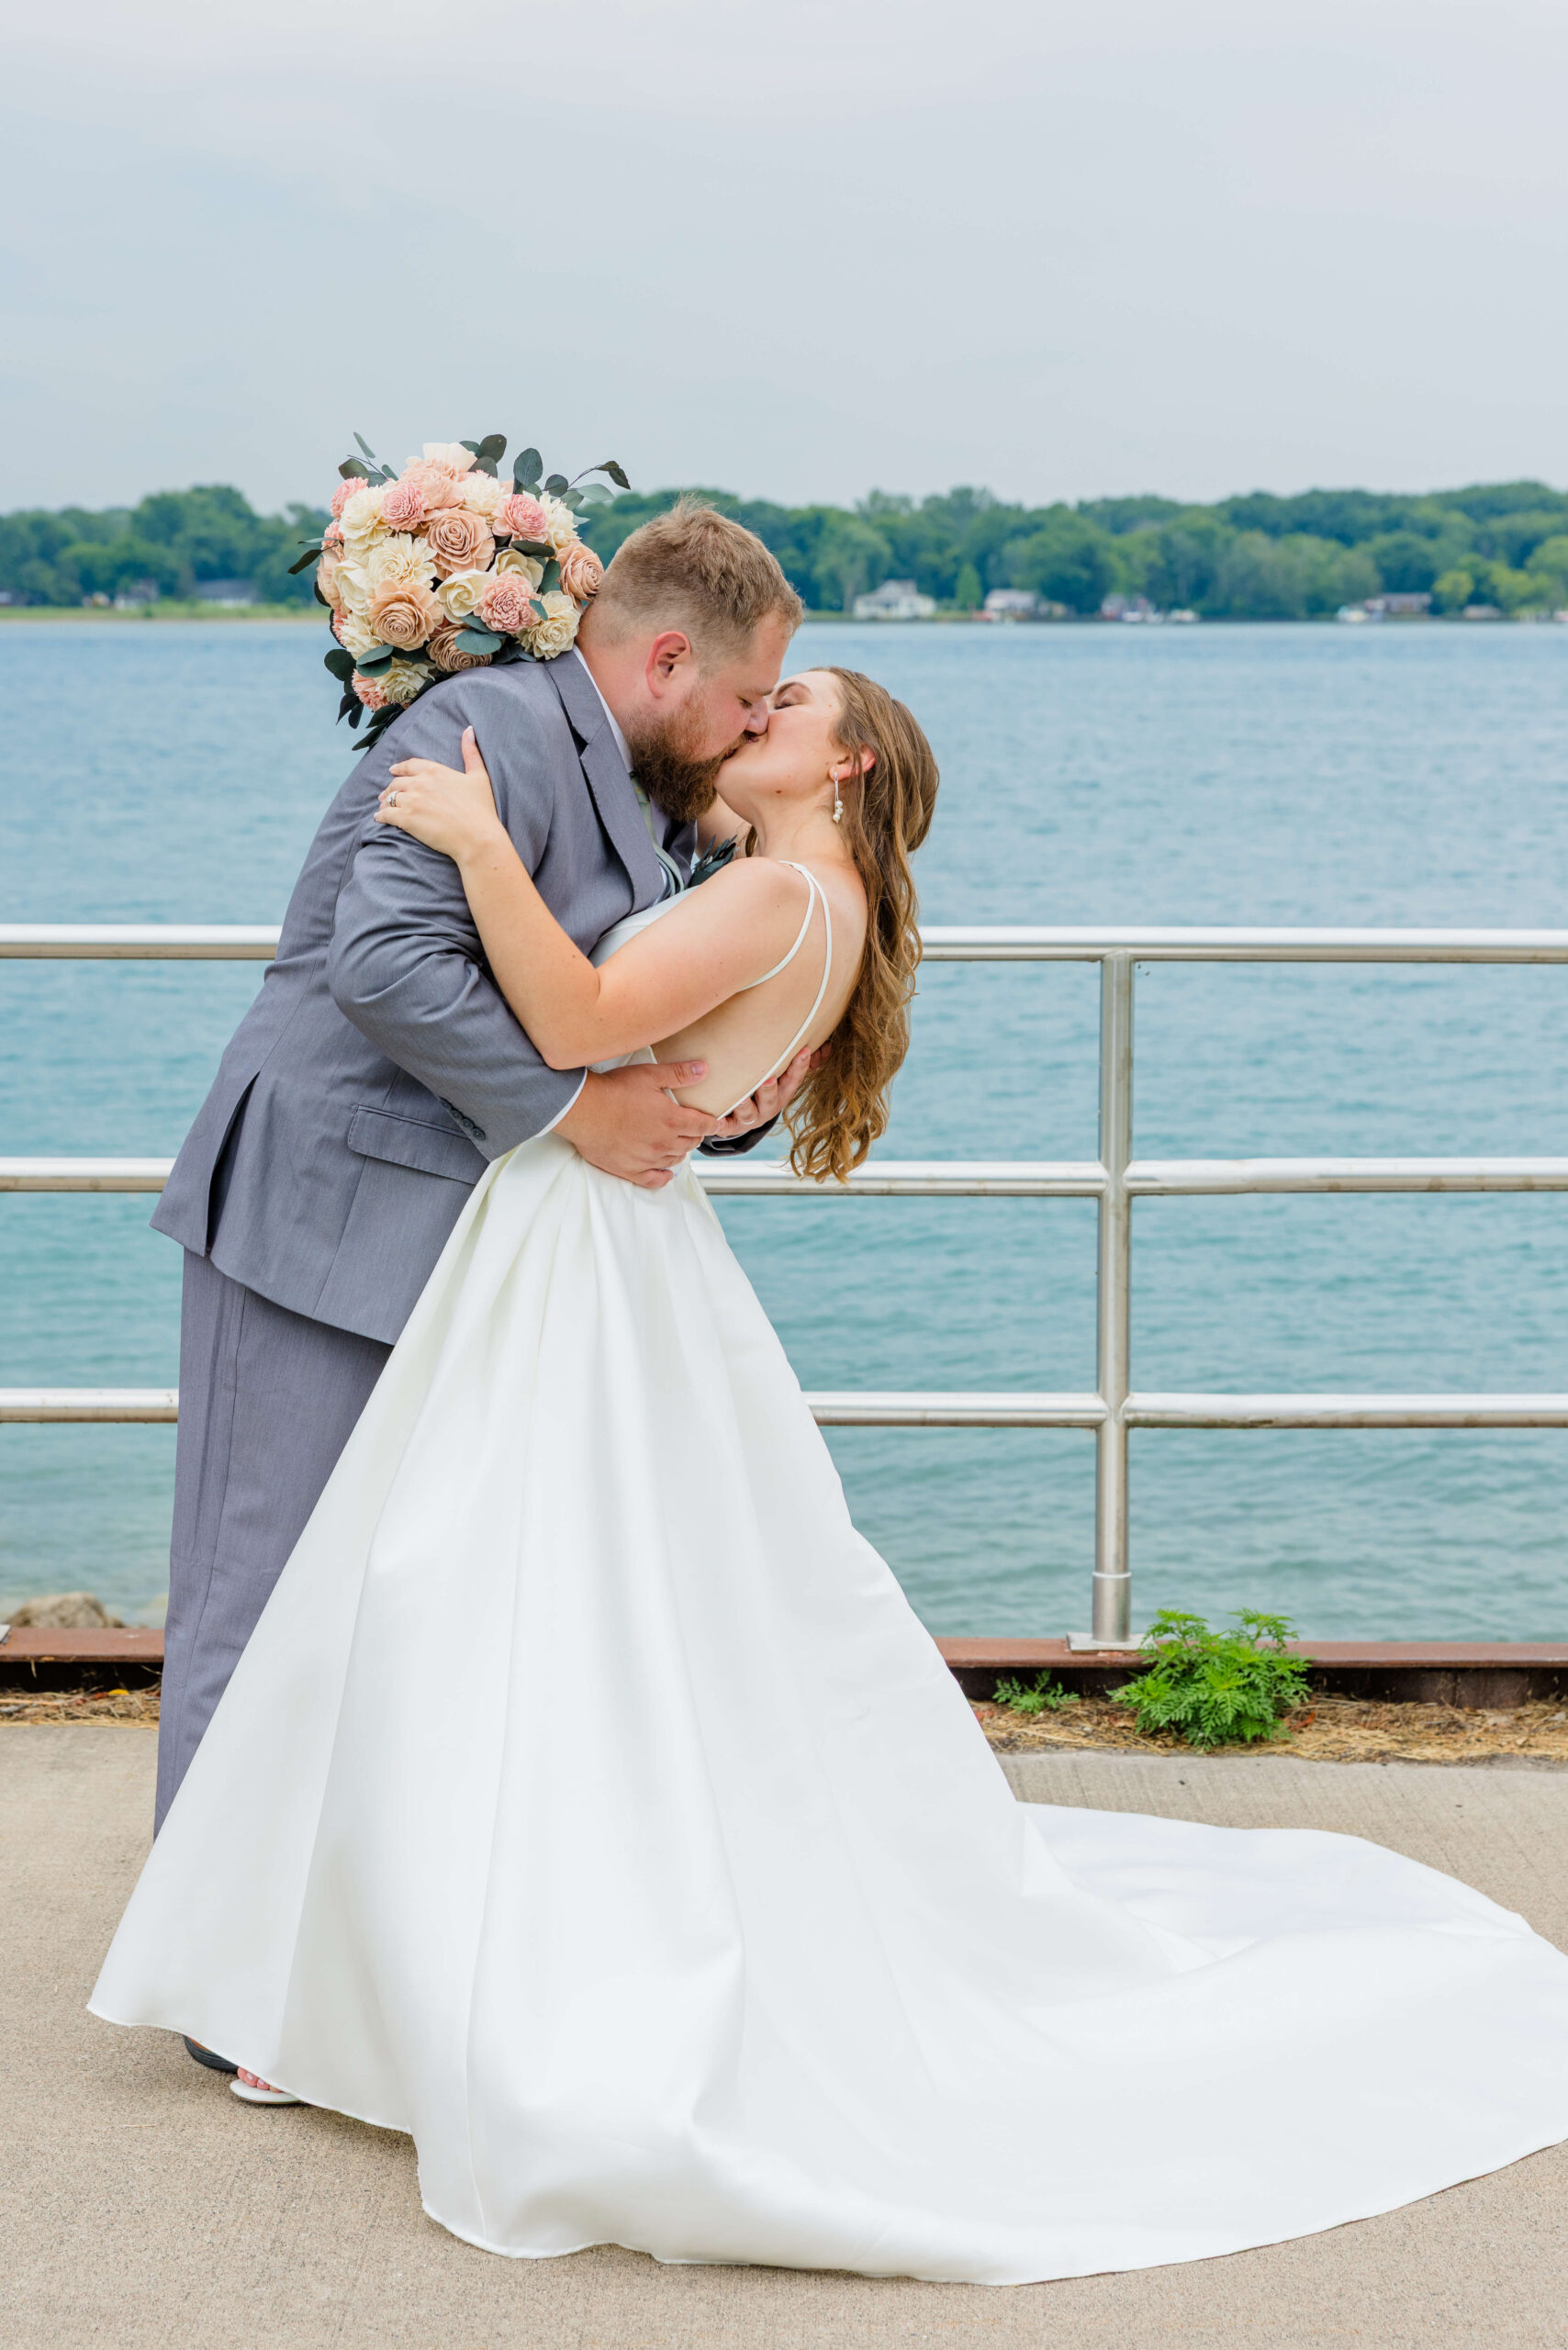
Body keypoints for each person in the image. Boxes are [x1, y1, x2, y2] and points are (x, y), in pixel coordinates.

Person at [93, 661, 1568, 2284]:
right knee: (554, 1602)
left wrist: (472, 837)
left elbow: (580, 1024)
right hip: (591, 1250)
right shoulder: (784, 894)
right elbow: (672, 1052)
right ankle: (413, 1926)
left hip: (584, 1251)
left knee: (495, 1588)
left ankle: (434, 1943)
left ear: (842, 760)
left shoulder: (784, 892)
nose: (747, 722)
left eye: (780, 704)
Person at [148, 502, 806, 1871]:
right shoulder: (486, 732)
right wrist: (575, 1109)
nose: (754, 728)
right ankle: (217, 1974)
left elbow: (626, 993)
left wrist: (726, 1106)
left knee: (390, 1601)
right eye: (746, 698)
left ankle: (330, 1932)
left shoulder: (660, 791)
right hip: (316, 1207)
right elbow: (382, 966)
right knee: (259, 1591)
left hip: (467, 1244)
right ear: (670, 659)